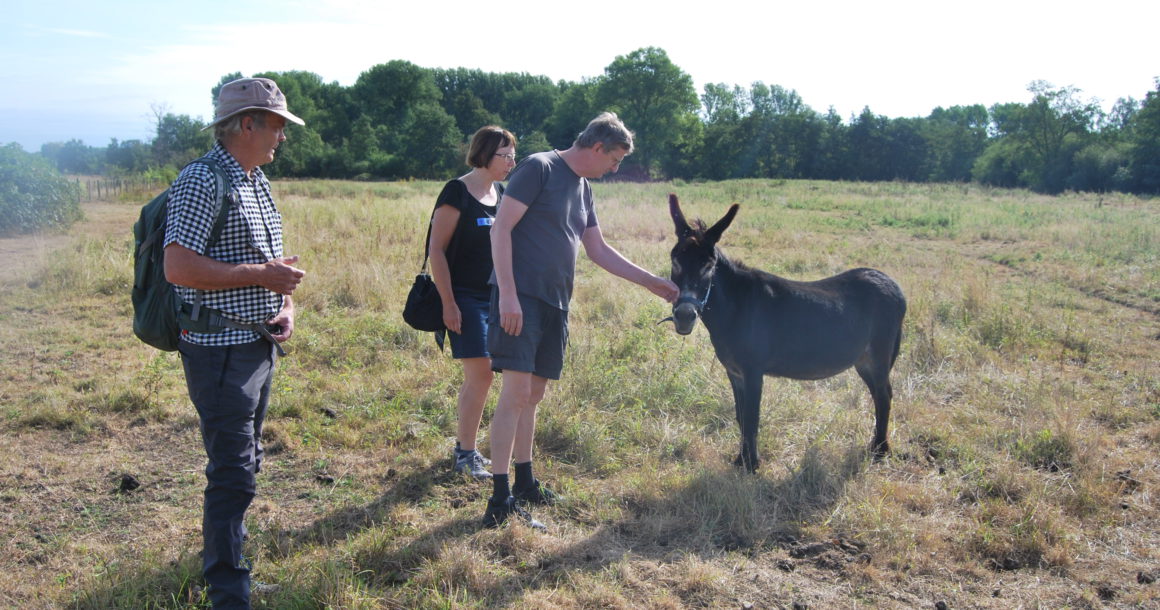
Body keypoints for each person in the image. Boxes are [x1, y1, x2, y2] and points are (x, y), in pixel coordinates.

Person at [482, 113, 678, 528]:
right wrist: (509, 296)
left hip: (556, 303)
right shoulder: (540, 168)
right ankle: (499, 500)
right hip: (522, 300)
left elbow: (598, 250)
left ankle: (525, 481)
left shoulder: (584, 187)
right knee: (514, 393)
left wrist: (651, 283)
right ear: (596, 148)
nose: (616, 168)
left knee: (533, 395)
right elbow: (500, 230)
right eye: (615, 159)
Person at [164, 76, 306, 608]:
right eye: (276, 125)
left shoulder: (255, 179)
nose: (282, 137)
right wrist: (261, 279)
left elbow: (273, 265)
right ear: (245, 123)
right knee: (233, 471)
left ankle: (231, 565)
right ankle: (227, 592)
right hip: (218, 349)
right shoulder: (203, 180)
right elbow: (178, 266)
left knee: (246, 460)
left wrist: (283, 305)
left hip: (256, 344)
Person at [428, 126, 518, 480]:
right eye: (505, 155)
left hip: (497, 298)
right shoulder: (457, 191)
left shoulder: (502, 193)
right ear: (483, 154)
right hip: (465, 297)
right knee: (480, 374)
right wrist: (448, 303)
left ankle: (468, 448)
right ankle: (465, 453)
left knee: (488, 376)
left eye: (513, 155)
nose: (511, 162)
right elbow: (436, 249)